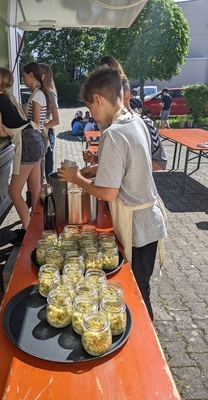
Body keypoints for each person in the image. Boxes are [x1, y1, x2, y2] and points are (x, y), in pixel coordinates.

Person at [58, 66, 167, 320]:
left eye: (90, 107)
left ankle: (146, 350)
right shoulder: (135, 120)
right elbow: (130, 164)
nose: (92, 115)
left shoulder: (113, 133)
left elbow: (107, 193)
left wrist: (76, 178)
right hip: (149, 221)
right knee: (142, 288)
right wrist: (97, 164)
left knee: (138, 293)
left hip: (138, 228)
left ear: (98, 99)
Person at [0, 67, 45, 242]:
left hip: (26, 144)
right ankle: (37, 227)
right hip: (36, 139)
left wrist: (3, 130)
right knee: (34, 189)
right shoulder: (9, 97)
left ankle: (29, 232)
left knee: (13, 192)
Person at [22, 62, 50, 185]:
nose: (23, 80)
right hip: (39, 137)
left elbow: (35, 122)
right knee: (36, 182)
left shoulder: (37, 95)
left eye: (24, 76)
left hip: (36, 138)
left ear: (31, 75)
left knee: (35, 182)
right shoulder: (38, 93)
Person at [40, 63, 60, 180]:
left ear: (46, 75)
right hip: (41, 134)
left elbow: (57, 120)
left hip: (48, 134)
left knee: (47, 169)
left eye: (40, 73)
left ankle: (49, 194)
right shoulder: (38, 92)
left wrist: (45, 125)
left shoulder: (50, 93)